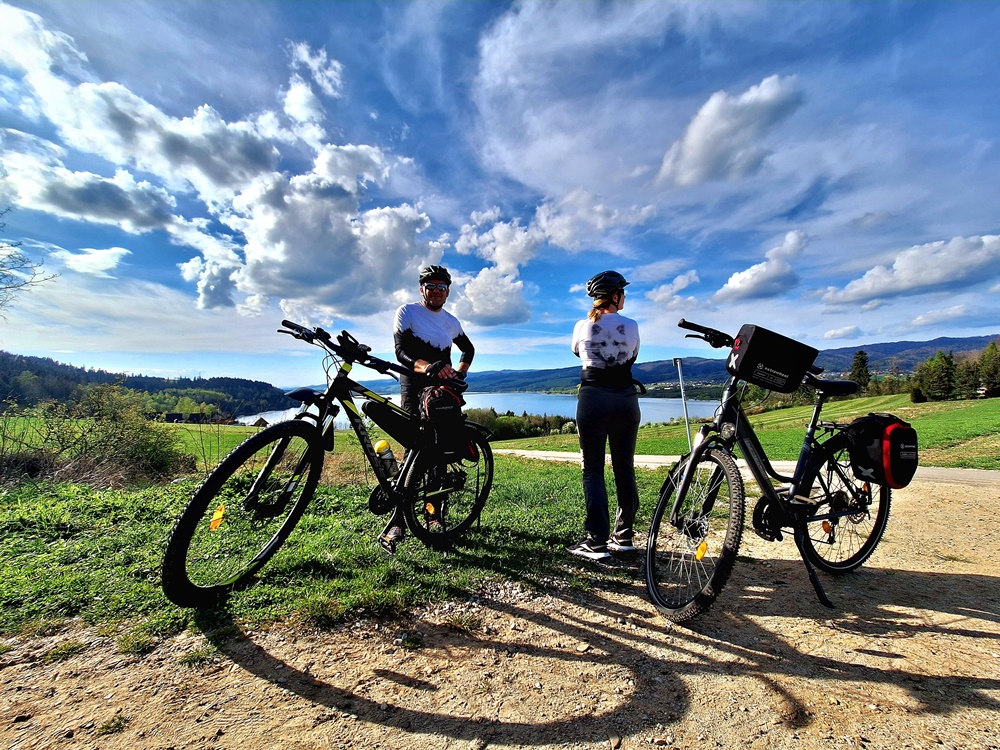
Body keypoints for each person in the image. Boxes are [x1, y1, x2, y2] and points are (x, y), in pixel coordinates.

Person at [378, 264, 475, 553]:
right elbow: (401, 352)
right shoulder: (407, 312)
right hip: (413, 384)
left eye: (441, 287)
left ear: (447, 292)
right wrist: (425, 367)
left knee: (438, 449)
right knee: (413, 447)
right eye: (430, 286)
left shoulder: (451, 321)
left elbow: (468, 350)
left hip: (441, 390)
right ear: (422, 289)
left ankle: (434, 515)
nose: (435, 291)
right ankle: (399, 520)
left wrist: (460, 373)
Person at [567, 270, 642, 560]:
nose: (624, 297)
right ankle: (624, 537)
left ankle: (596, 541)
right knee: (625, 467)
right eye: (623, 292)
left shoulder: (580, 326)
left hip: (593, 398)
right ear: (614, 296)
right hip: (625, 398)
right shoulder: (631, 325)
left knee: (593, 469)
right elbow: (633, 355)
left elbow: (577, 353)